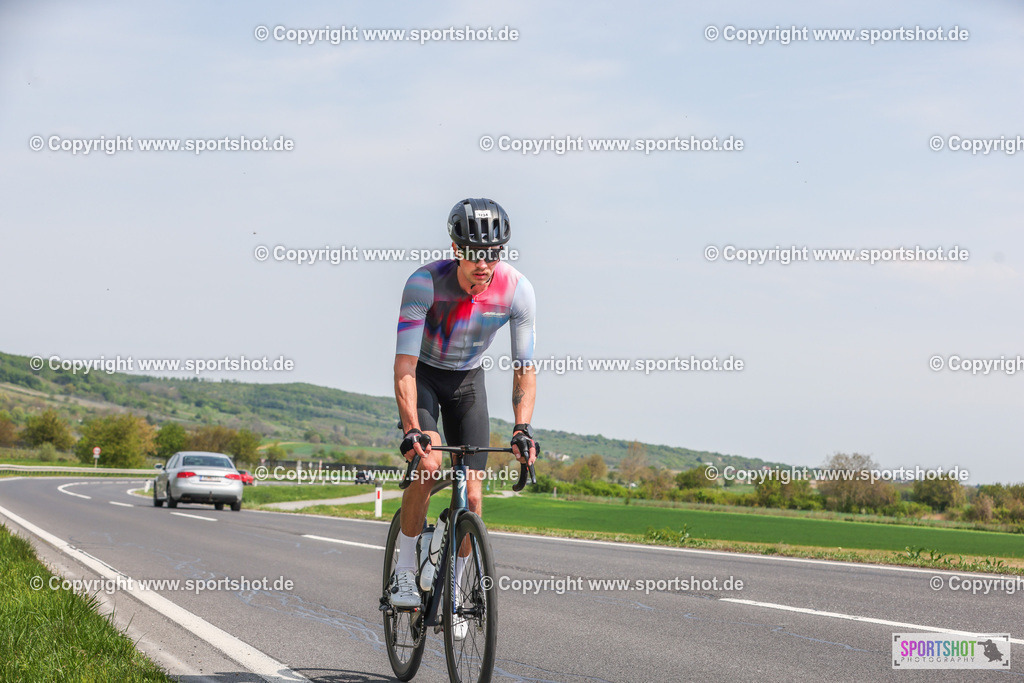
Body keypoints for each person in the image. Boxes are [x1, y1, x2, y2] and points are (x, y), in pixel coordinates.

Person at [390, 198, 538, 616]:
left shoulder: (517, 290)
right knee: (431, 464)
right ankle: (404, 565)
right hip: (425, 378)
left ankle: (454, 588)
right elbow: (404, 365)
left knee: (473, 497)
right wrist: (410, 430)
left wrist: (521, 429)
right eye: (474, 253)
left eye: (493, 254)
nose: (483, 264)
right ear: (456, 249)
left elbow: (524, 368)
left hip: (469, 384)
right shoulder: (424, 284)